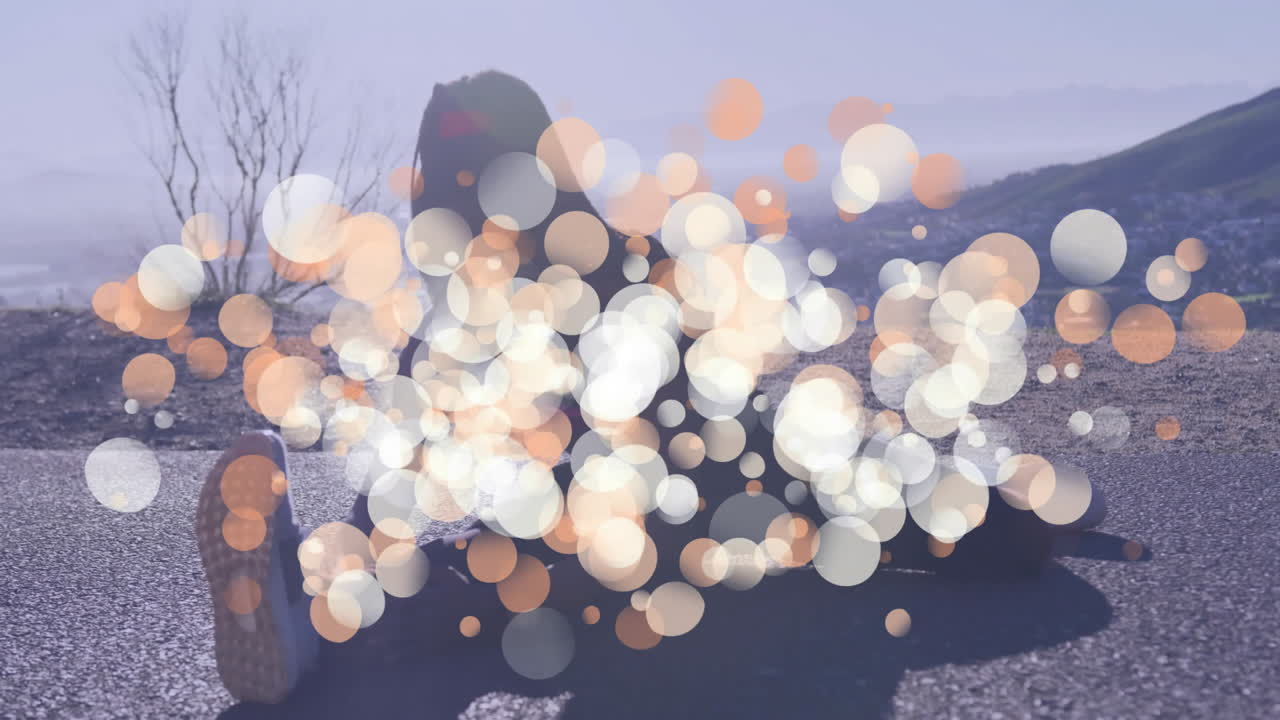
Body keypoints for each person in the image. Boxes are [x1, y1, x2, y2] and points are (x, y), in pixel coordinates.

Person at [196, 70, 1106, 704]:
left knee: (992, 526)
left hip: (772, 504)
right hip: (643, 516)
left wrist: (465, 587)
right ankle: (299, 606)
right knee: (459, 575)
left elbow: (669, 522)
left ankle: (1058, 508)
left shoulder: (622, 286)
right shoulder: (482, 296)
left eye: (463, 183)